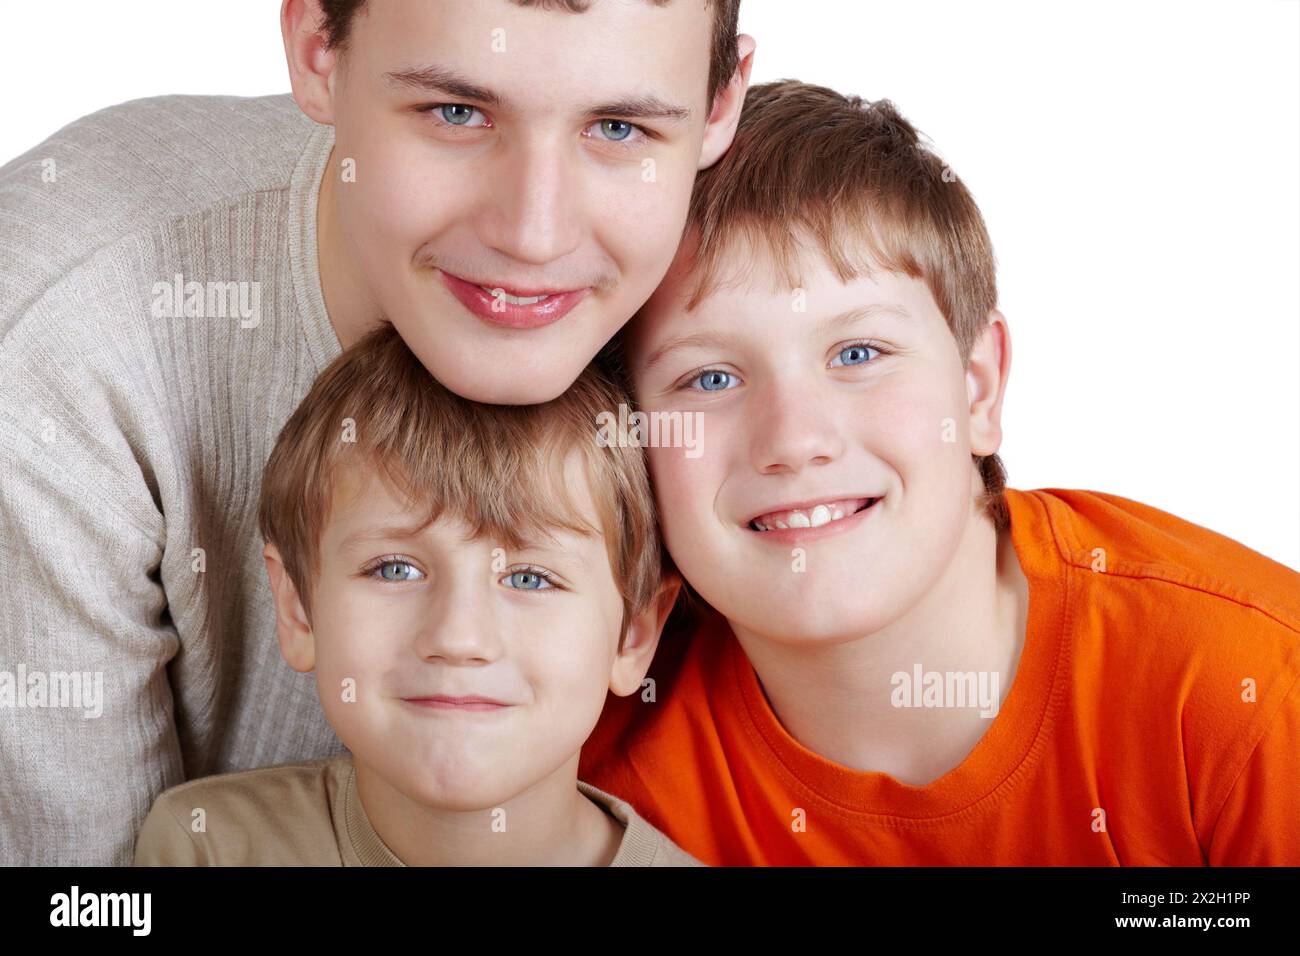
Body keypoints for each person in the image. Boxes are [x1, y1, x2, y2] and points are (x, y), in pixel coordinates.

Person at [0, 0, 753, 864]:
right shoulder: (52, 356)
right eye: (456, 112)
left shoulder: (757, 302)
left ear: (722, 105)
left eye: (619, 127)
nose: (534, 236)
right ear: (319, 50)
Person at [578, 80, 1300, 865]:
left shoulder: (1247, 692)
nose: (794, 440)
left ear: (979, 387)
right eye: (710, 378)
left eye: (858, 354)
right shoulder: (586, 752)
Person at [132, 322, 698, 866]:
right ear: (298, 607)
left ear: (634, 634)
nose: (458, 638)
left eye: (530, 578)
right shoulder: (205, 847)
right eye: (395, 570)